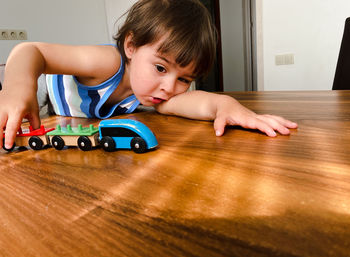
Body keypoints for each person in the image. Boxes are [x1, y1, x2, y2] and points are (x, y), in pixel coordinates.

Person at [0, 0, 297, 150]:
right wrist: (16, 88)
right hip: (42, 103)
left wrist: (226, 106)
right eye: (160, 67)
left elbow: (199, 103)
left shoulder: (153, 93)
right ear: (130, 46)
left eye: (184, 78)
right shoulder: (107, 62)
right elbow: (30, 52)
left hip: (74, 121)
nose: (169, 87)